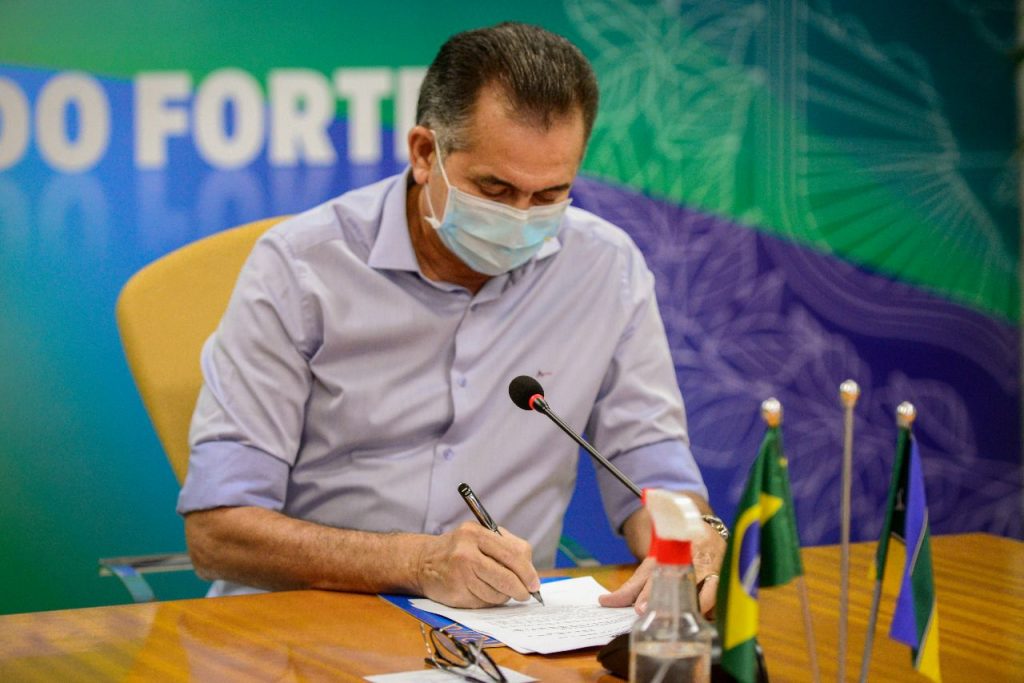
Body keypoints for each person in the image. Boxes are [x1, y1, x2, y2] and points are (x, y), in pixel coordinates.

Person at [178, 22, 726, 613]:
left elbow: (650, 462)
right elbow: (217, 533)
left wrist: (686, 540)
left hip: (506, 628)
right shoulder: (300, 268)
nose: (521, 217)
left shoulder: (606, 267)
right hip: (304, 619)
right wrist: (416, 564)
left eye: (549, 195)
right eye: (495, 189)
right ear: (424, 154)